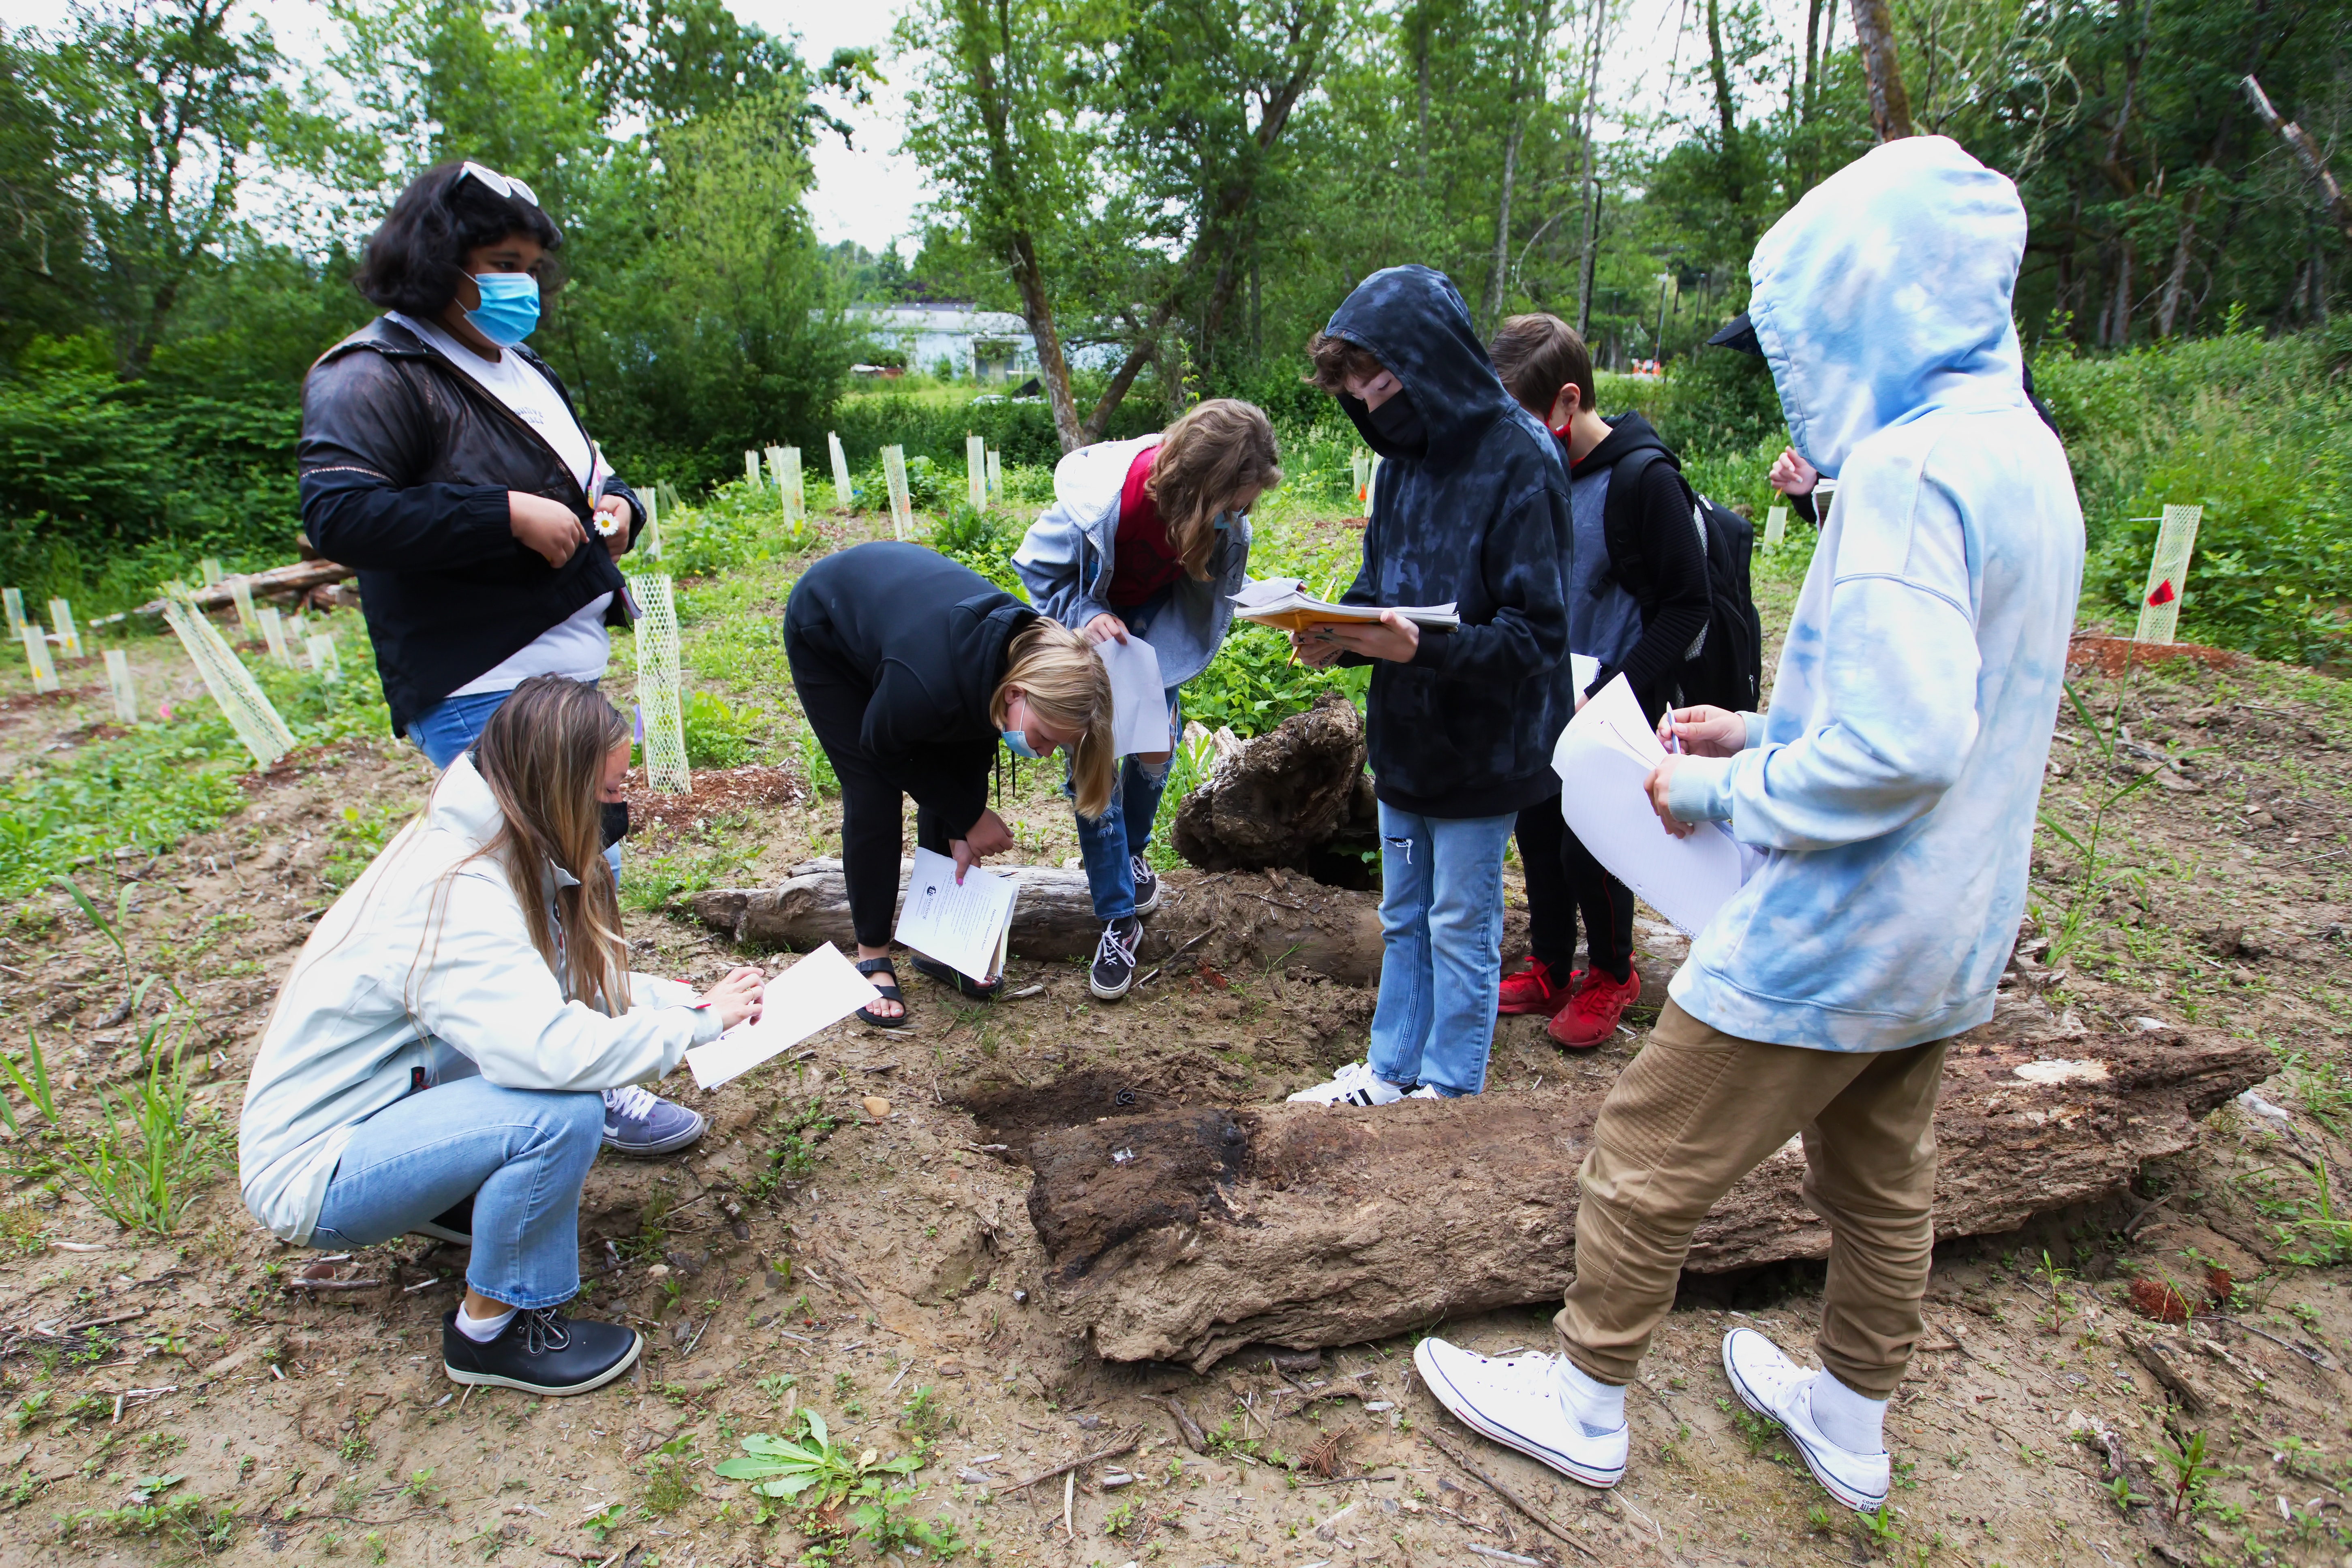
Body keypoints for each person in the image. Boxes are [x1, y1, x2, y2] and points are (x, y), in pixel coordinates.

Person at [1410, 135, 2084, 1510]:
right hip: (1952, 921)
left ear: (1861, 307)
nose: (1790, 367)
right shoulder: (2023, 452)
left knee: (1648, 1148)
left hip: (1841, 918)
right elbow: (1953, 705)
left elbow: (1897, 749)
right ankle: (1849, 1410)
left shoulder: (1902, 470)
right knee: (1881, 1176)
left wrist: (1712, 786)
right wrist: (1761, 730)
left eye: (1796, 333)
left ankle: (1585, 1394)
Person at [295, 160, 702, 1157]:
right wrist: (500, 514)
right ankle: (562, 1079)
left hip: (562, 673)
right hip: (480, 683)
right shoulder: (374, 373)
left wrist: (620, 511)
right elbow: (337, 512)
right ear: (440, 264)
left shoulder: (520, 373)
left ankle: (582, 1055)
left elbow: (603, 478)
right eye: (498, 263)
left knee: (585, 871)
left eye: (529, 265)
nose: (519, 284)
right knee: (529, 887)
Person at [239, 677, 766, 1397]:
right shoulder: (456, 890)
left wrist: (687, 1000)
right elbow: (548, 1049)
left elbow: (542, 990)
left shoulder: (489, 844)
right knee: (559, 1110)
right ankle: (494, 1330)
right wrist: (695, 1028)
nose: (621, 807)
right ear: (560, 786)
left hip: (387, 1111)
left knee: (545, 1098)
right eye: (610, 789)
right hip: (320, 1169)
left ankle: (449, 1192)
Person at [1283, 265, 1573, 1106]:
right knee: (1404, 915)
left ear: (1434, 358)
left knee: (1461, 925)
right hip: (1406, 740)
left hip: (1486, 748)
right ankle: (1388, 1070)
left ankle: (1447, 1093)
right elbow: (1381, 590)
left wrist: (1422, 652)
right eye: (1356, 389)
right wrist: (1333, 635)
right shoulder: (1397, 464)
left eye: (1381, 379)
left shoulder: (1522, 461)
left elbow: (1538, 636)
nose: (1372, 404)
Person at [1486, 314, 1711, 1045]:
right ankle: (1550, 960)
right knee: (1539, 828)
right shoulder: (1535, 472)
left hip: (1612, 701)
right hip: (1543, 692)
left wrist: (1618, 689)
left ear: (1566, 402)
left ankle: (1613, 971)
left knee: (1594, 842)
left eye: (1519, 416)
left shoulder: (1644, 480)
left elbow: (1686, 605)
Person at [1011, 399, 1282, 1000]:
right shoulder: (1106, 502)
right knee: (1096, 774)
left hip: (1149, 640)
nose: (1239, 516)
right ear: (1195, 487)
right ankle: (1116, 917)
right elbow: (1033, 568)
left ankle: (1131, 856)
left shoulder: (1223, 519)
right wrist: (1087, 614)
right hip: (1090, 637)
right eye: (1231, 503)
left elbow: (1210, 592)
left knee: (1155, 755)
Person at [783, 541, 1115, 1025]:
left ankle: (936, 942)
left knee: (946, 762)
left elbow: (968, 746)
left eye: (1054, 747)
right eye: (1044, 737)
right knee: (873, 788)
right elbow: (881, 744)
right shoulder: (930, 680)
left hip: (906, 634)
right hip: (827, 627)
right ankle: (872, 952)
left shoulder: (1020, 660)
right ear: (1017, 692)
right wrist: (969, 816)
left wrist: (961, 826)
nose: (1042, 752)